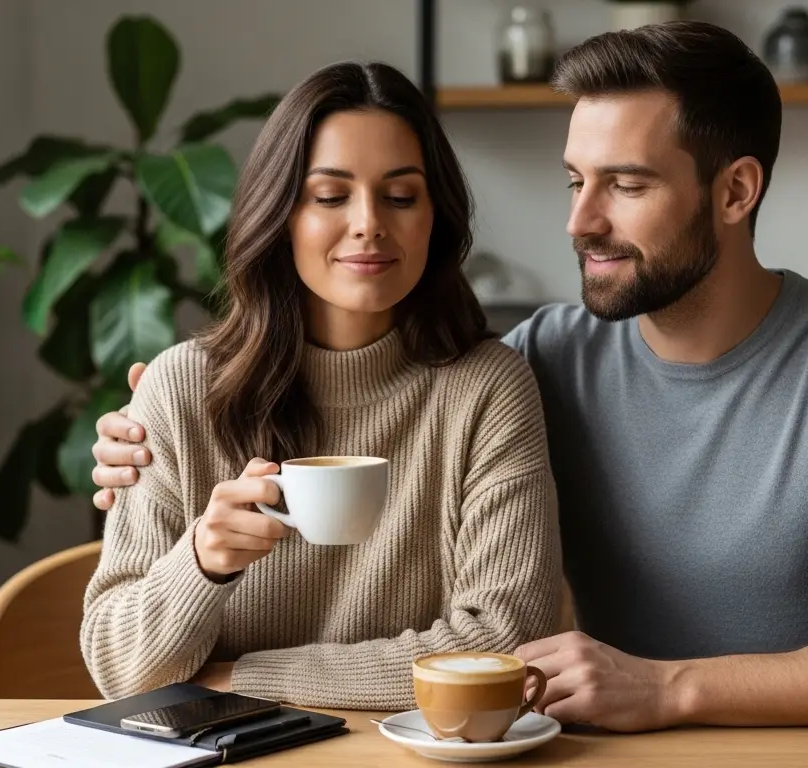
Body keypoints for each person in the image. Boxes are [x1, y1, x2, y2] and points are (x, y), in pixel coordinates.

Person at [91, 22, 808, 731]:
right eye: (575, 182)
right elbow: (397, 392)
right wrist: (151, 430)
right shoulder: (546, 359)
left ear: (735, 191)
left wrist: (672, 688)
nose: (580, 222)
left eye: (627, 185)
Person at [78, 59, 564, 712]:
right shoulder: (180, 388)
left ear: (436, 217)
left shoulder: (487, 389)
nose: (369, 223)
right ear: (281, 215)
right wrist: (201, 561)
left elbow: (503, 643)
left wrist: (242, 679)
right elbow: (119, 669)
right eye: (330, 196)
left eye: (401, 196)